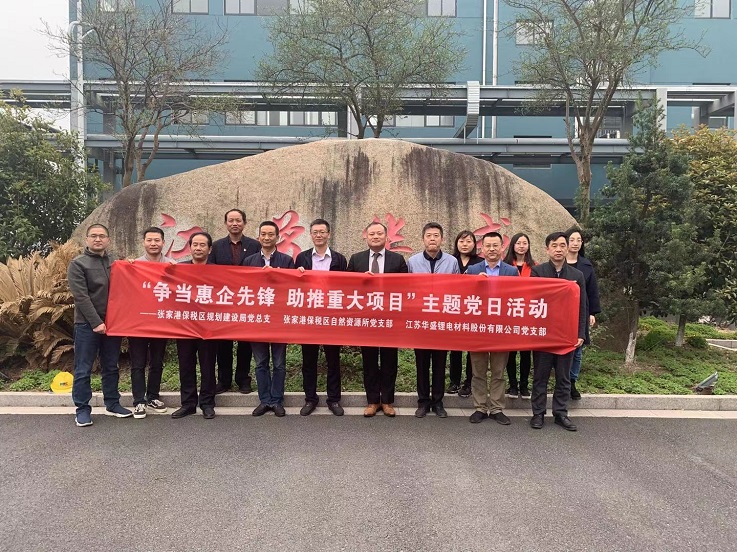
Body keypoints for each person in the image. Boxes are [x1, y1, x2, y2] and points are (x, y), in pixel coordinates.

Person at [68, 223, 132, 427]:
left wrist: (132, 267)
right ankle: (82, 409)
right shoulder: (78, 264)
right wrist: (96, 322)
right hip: (87, 325)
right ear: (86, 239)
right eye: (94, 236)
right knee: (83, 368)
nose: (98, 239)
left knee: (111, 366)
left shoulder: (115, 262)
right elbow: (81, 296)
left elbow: (128, 285)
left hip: (113, 324)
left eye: (102, 236)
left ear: (108, 240)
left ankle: (112, 403)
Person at [347, 221, 408, 418]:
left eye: (379, 233)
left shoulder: (397, 260)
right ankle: (373, 401)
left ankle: (387, 401)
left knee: (390, 360)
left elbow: (405, 287)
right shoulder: (356, 259)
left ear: (386, 237)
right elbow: (346, 287)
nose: (375, 236)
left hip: (390, 319)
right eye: (372, 233)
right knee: (370, 361)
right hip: (367, 319)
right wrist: (360, 282)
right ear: (366, 236)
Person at [529, 232, 587, 432]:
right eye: (554, 245)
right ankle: (538, 413)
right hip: (543, 334)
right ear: (547, 249)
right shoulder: (538, 272)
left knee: (563, 377)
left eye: (562, 245)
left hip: (566, 335)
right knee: (540, 376)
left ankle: (561, 413)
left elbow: (582, 306)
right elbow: (533, 299)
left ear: (567, 248)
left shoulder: (577, 276)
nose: (559, 249)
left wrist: (581, 333)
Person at [295, 218, 347, 416]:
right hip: (309, 317)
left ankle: (334, 399)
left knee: (333, 360)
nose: (319, 235)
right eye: (315, 232)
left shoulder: (339, 259)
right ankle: (310, 399)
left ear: (328, 234)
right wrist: (297, 274)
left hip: (332, 316)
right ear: (311, 235)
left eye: (322, 232)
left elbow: (347, 287)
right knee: (309, 360)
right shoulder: (302, 258)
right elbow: (294, 286)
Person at [242, 221, 296, 417]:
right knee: (261, 363)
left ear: (277, 237)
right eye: (263, 234)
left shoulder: (286, 261)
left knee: (279, 363)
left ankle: (277, 400)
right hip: (257, 320)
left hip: (279, 320)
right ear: (258, 237)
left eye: (270, 234)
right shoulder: (249, 261)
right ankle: (264, 400)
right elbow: (243, 287)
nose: (266, 237)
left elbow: (291, 288)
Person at [466, 232, 519, 425]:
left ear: (502, 247)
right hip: (478, 328)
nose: (491, 249)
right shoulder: (473, 270)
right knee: (478, 371)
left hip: (501, 329)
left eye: (495, 245)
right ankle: (480, 407)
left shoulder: (511, 271)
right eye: (487, 246)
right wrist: (473, 283)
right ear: (482, 248)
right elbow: (462, 295)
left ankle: (496, 408)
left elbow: (518, 297)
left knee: (498, 371)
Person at [407, 222, 459, 418]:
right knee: (421, 364)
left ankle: (438, 402)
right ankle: (423, 402)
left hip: (441, 321)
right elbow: (407, 290)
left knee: (439, 363)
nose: (432, 239)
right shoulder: (412, 262)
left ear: (442, 239)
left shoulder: (451, 262)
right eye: (429, 235)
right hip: (420, 322)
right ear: (423, 239)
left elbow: (457, 289)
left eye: (436, 235)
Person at [208, 208, 260, 395]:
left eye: (238, 220)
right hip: (224, 301)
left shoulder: (255, 245)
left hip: (247, 300)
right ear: (225, 224)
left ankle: (243, 379)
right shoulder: (217, 246)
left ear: (244, 223)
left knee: (245, 343)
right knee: (223, 344)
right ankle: (224, 380)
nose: (234, 224)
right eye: (231, 220)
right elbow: (209, 270)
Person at [128, 226, 175, 419]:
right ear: (144, 243)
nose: (153, 244)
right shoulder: (134, 265)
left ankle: (153, 396)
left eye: (157, 240)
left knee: (157, 362)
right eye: (149, 240)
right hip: (138, 322)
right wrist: (126, 268)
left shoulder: (173, 265)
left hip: (161, 321)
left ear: (163, 242)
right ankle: (139, 401)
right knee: (137, 363)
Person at [172, 232, 218, 420]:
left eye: (202, 245)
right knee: (186, 365)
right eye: (195, 245)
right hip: (184, 326)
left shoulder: (219, 271)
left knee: (208, 366)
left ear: (210, 249)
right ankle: (188, 404)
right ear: (189, 247)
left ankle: (207, 403)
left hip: (208, 327)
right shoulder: (179, 269)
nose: (198, 248)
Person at [565, 227, 601, 401]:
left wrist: (592, 312)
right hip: (560, 312)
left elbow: (592, 291)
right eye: (572, 240)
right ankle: (562, 380)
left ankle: (572, 381)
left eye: (579, 240)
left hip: (580, 311)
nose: (575, 243)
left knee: (577, 349)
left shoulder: (586, 265)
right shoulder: (558, 264)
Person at [448, 230, 484, 398]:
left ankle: (469, 382)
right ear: (456, 243)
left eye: (469, 241)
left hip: (473, 310)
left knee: (471, 349)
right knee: (454, 348)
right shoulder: (450, 261)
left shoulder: (480, 263)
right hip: (454, 309)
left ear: (474, 244)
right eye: (461, 241)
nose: (465, 244)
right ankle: (454, 381)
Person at [502, 232, 537, 400]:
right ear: (513, 245)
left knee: (525, 352)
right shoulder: (505, 265)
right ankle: (513, 385)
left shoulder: (535, 267)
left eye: (524, 243)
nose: (521, 246)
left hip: (528, 314)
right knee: (510, 352)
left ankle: (524, 385)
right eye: (518, 243)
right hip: (509, 313)